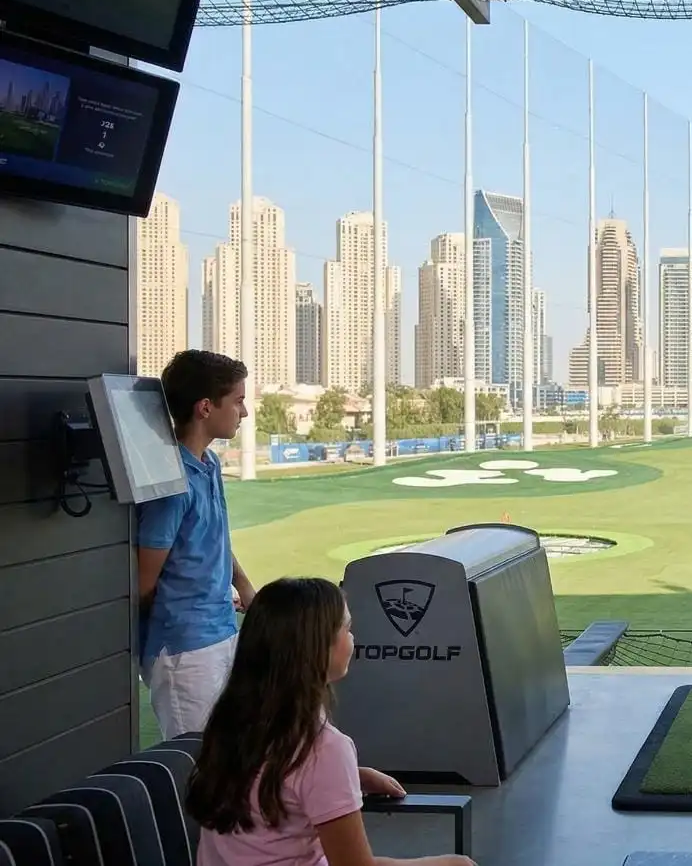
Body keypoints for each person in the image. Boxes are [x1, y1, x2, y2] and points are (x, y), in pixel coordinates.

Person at [185, 577, 477, 866]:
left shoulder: (234, 718)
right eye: (347, 629)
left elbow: (275, 780)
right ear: (317, 646)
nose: (353, 638)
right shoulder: (324, 749)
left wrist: (351, 776)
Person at [137, 349, 257, 740]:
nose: (244, 412)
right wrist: (183, 611)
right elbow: (143, 582)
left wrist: (243, 586)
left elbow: (212, 538)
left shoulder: (209, 464)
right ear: (205, 407)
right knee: (198, 765)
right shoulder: (170, 483)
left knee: (234, 752)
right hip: (185, 651)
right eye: (238, 401)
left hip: (222, 631)